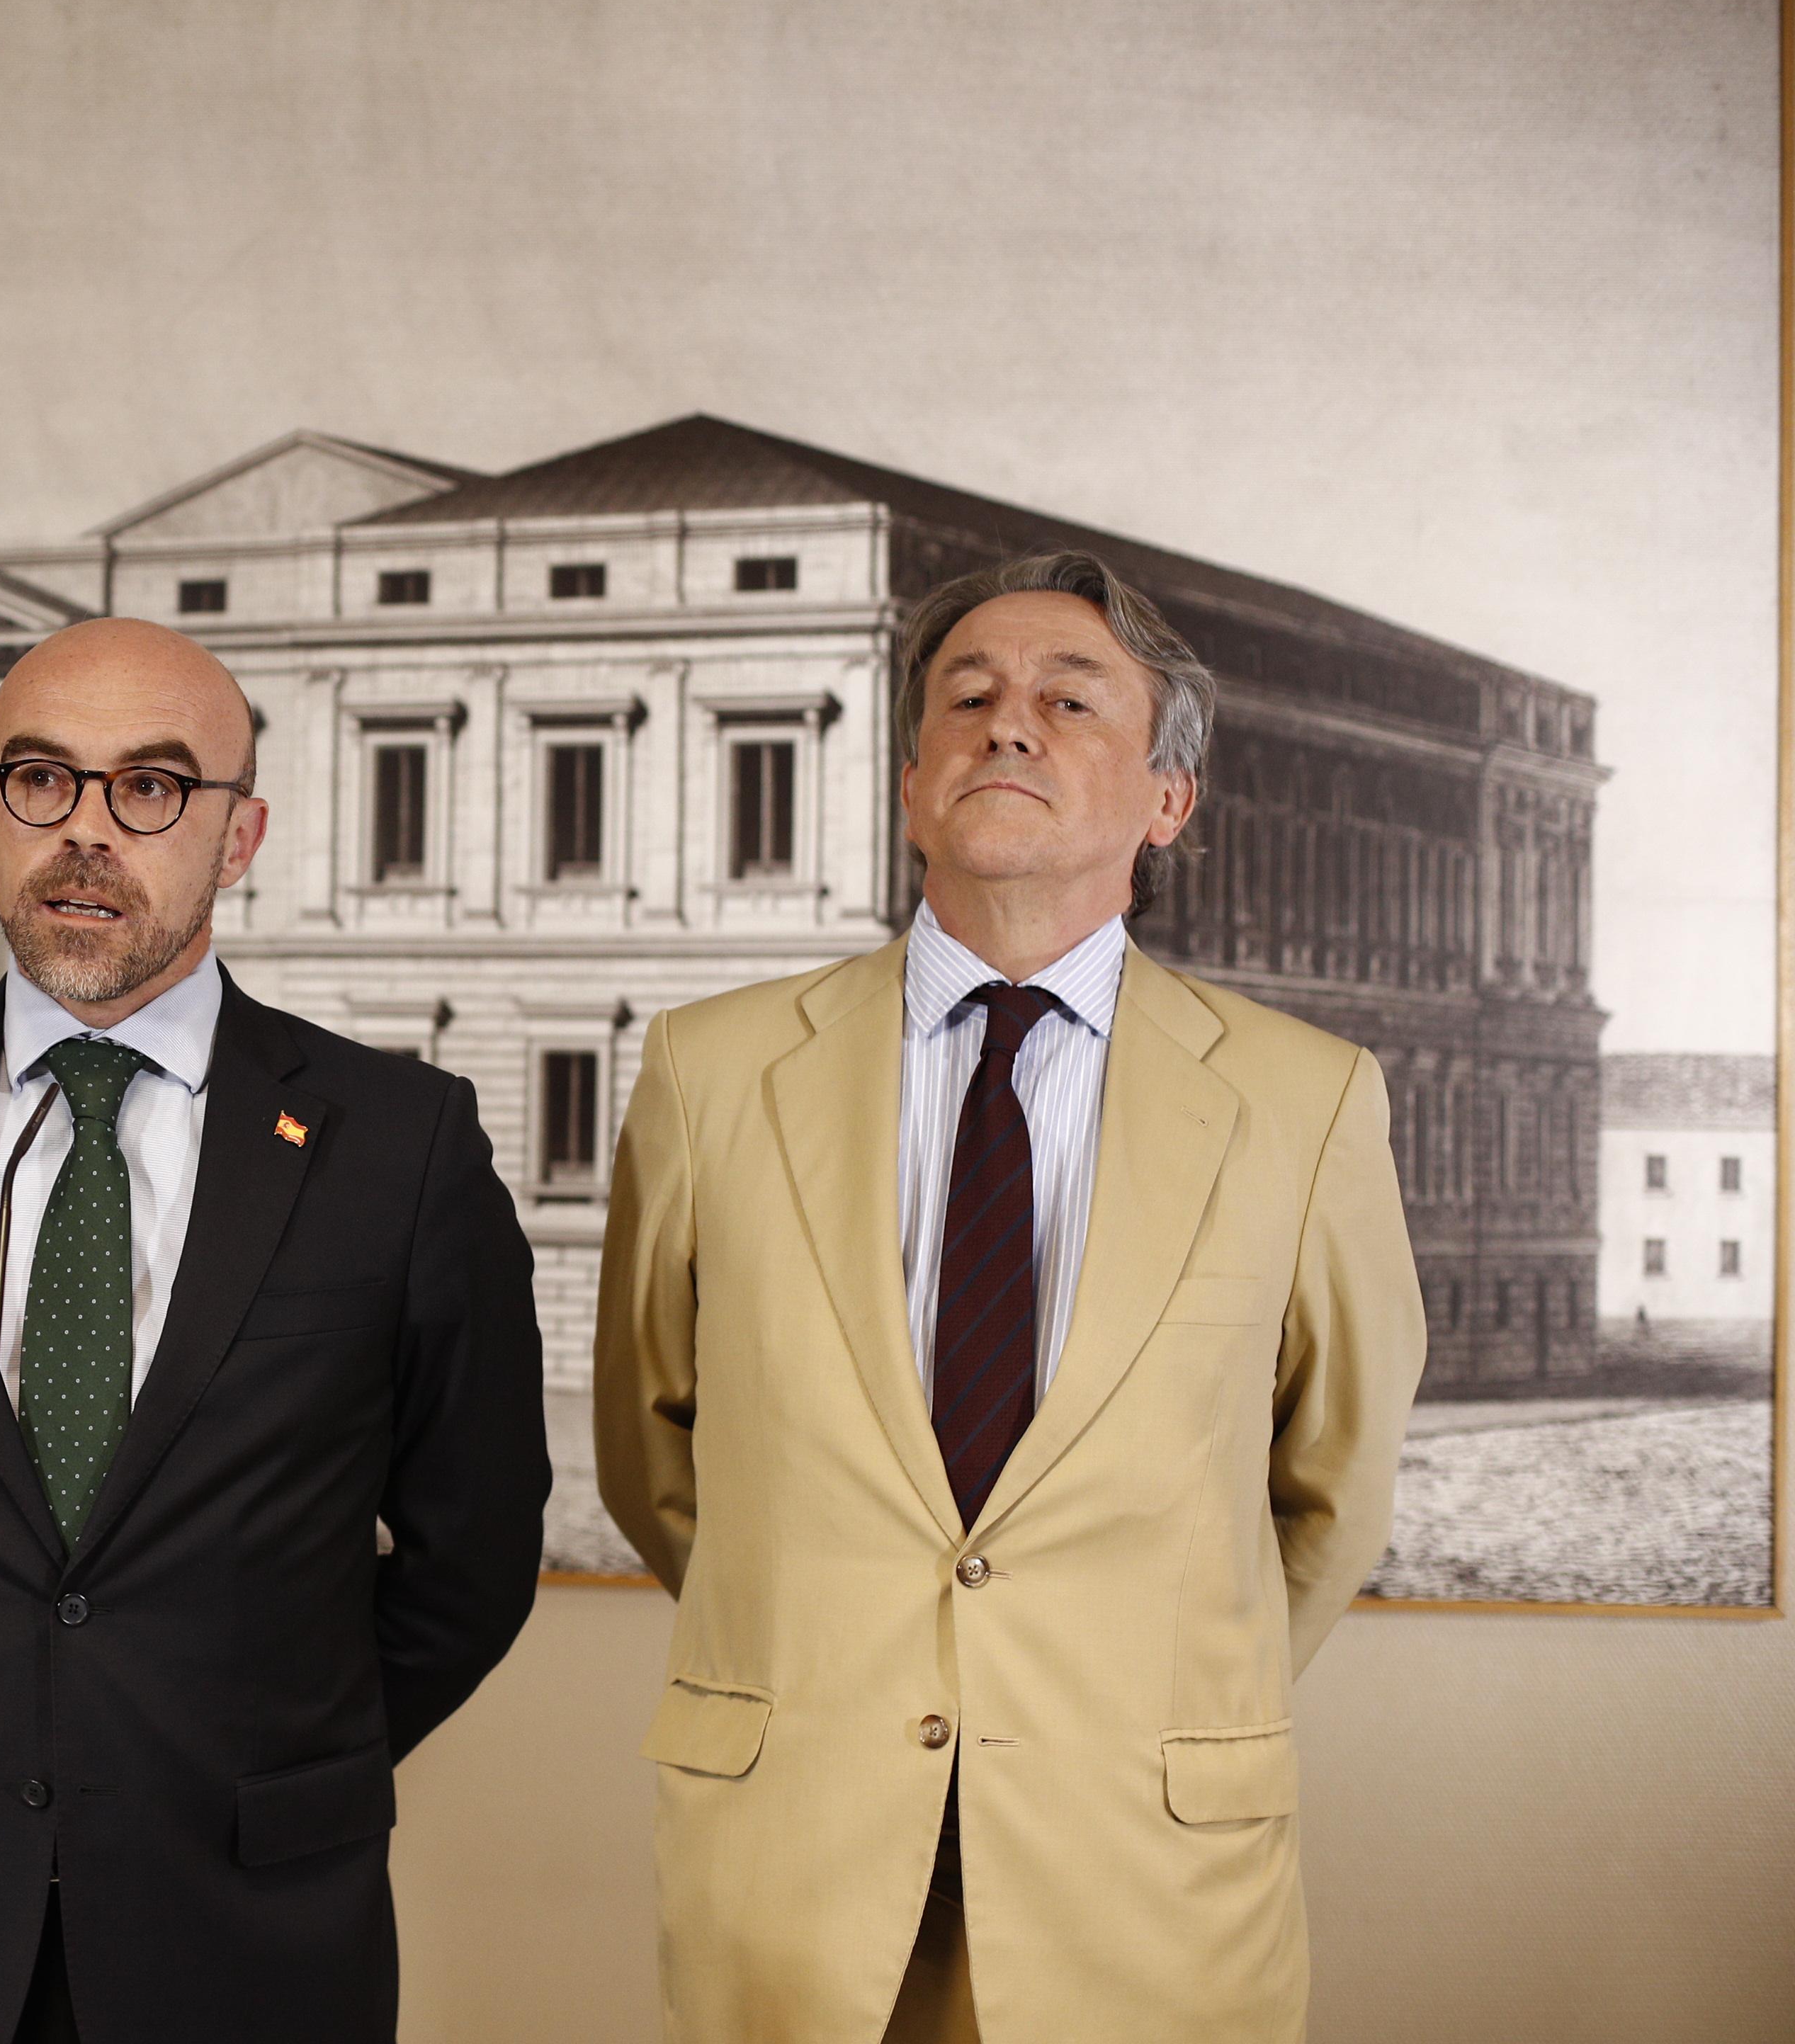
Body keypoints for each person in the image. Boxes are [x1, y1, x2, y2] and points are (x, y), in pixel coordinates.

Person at [594, 552, 1425, 2043]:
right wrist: (831, 1642)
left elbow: (1332, 1491)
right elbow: (654, 1449)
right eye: (967, 699)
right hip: (795, 1875)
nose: (1010, 725)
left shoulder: (1306, 1103)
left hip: (1147, 1885)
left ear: (1170, 801)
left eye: (1069, 698)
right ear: (911, 786)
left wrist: (1115, 1677)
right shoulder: (707, 1075)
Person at [0, 616, 549, 2043]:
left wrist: (267, 1750)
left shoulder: (399, 1148)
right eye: (42, 779)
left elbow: (473, 1557)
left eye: (151, 788)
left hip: (250, 1926)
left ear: (239, 836)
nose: (87, 831)